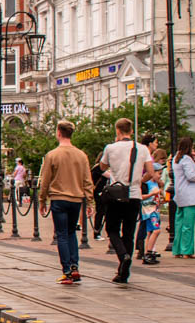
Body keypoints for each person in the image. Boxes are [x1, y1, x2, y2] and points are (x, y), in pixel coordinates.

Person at [97, 117, 155, 286]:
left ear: (118, 131)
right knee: (128, 232)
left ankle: (123, 257)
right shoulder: (142, 148)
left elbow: (101, 167)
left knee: (112, 229)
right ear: (131, 131)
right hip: (134, 194)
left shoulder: (111, 148)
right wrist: (139, 181)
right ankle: (124, 273)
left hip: (116, 194)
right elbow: (150, 172)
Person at [39, 120, 95, 285]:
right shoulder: (81, 155)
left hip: (58, 199)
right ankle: (75, 266)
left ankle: (67, 271)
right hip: (76, 200)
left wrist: (42, 200)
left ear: (58, 133)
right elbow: (87, 181)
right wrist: (90, 202)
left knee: (61, 234)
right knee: (71, 233)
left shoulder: (52, 155)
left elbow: (45, 181)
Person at [170, 137, 195, 259]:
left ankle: (177, 249)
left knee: (179, 223)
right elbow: (191, 176)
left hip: (180, 194)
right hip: (190, 195)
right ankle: (187, 250)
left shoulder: (176, 158)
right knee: (188, 224)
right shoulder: (187, 159)